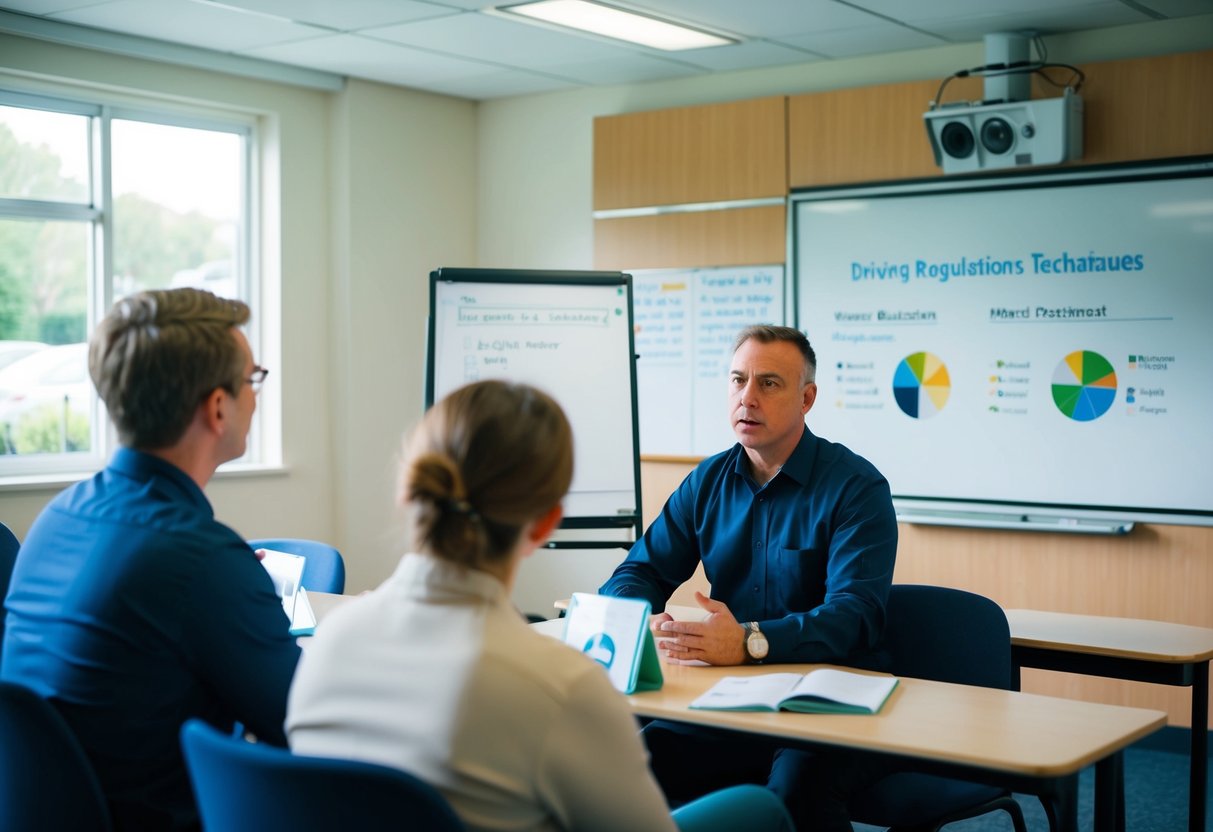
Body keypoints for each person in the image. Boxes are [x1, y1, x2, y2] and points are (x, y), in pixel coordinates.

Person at [286, 380, 792, 832]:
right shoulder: (560, 687)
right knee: (757, 809)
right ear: (547, 522)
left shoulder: (327, 642)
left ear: (410, 492)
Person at [1, 288, 301, 831]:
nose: (256, 396)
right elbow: (304, 724)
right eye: (252, 379)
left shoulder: (58, 518)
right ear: (217, 407)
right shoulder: (199, 558)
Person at [599, 324, 899, 831]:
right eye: (738, 381)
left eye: (769, 384)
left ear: (807, 399)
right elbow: (636, 572)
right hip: (732, 697)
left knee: (795, 796)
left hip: (828, 700)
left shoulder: (856, 487)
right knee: (630, 767)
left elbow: (856, 616)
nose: (747, 398)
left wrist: (749, 642)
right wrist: (643, 622)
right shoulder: (709, 480)